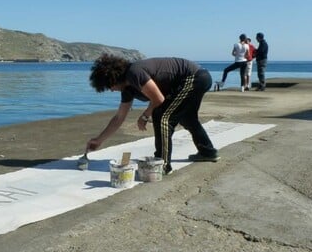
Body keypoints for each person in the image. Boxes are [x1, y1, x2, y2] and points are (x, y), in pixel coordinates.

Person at [86, 54, 219, 175]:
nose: (110, 90)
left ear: (113, 78)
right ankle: (208, 152)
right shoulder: (127, 88)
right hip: (195, 79)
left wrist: (145, 116)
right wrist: (99, 140)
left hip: (194, 78)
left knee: (162, 117)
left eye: (109, 86)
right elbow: (119, 117)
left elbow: (158, 99)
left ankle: (162, 165)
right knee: (187, 118)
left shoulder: (134, 73)